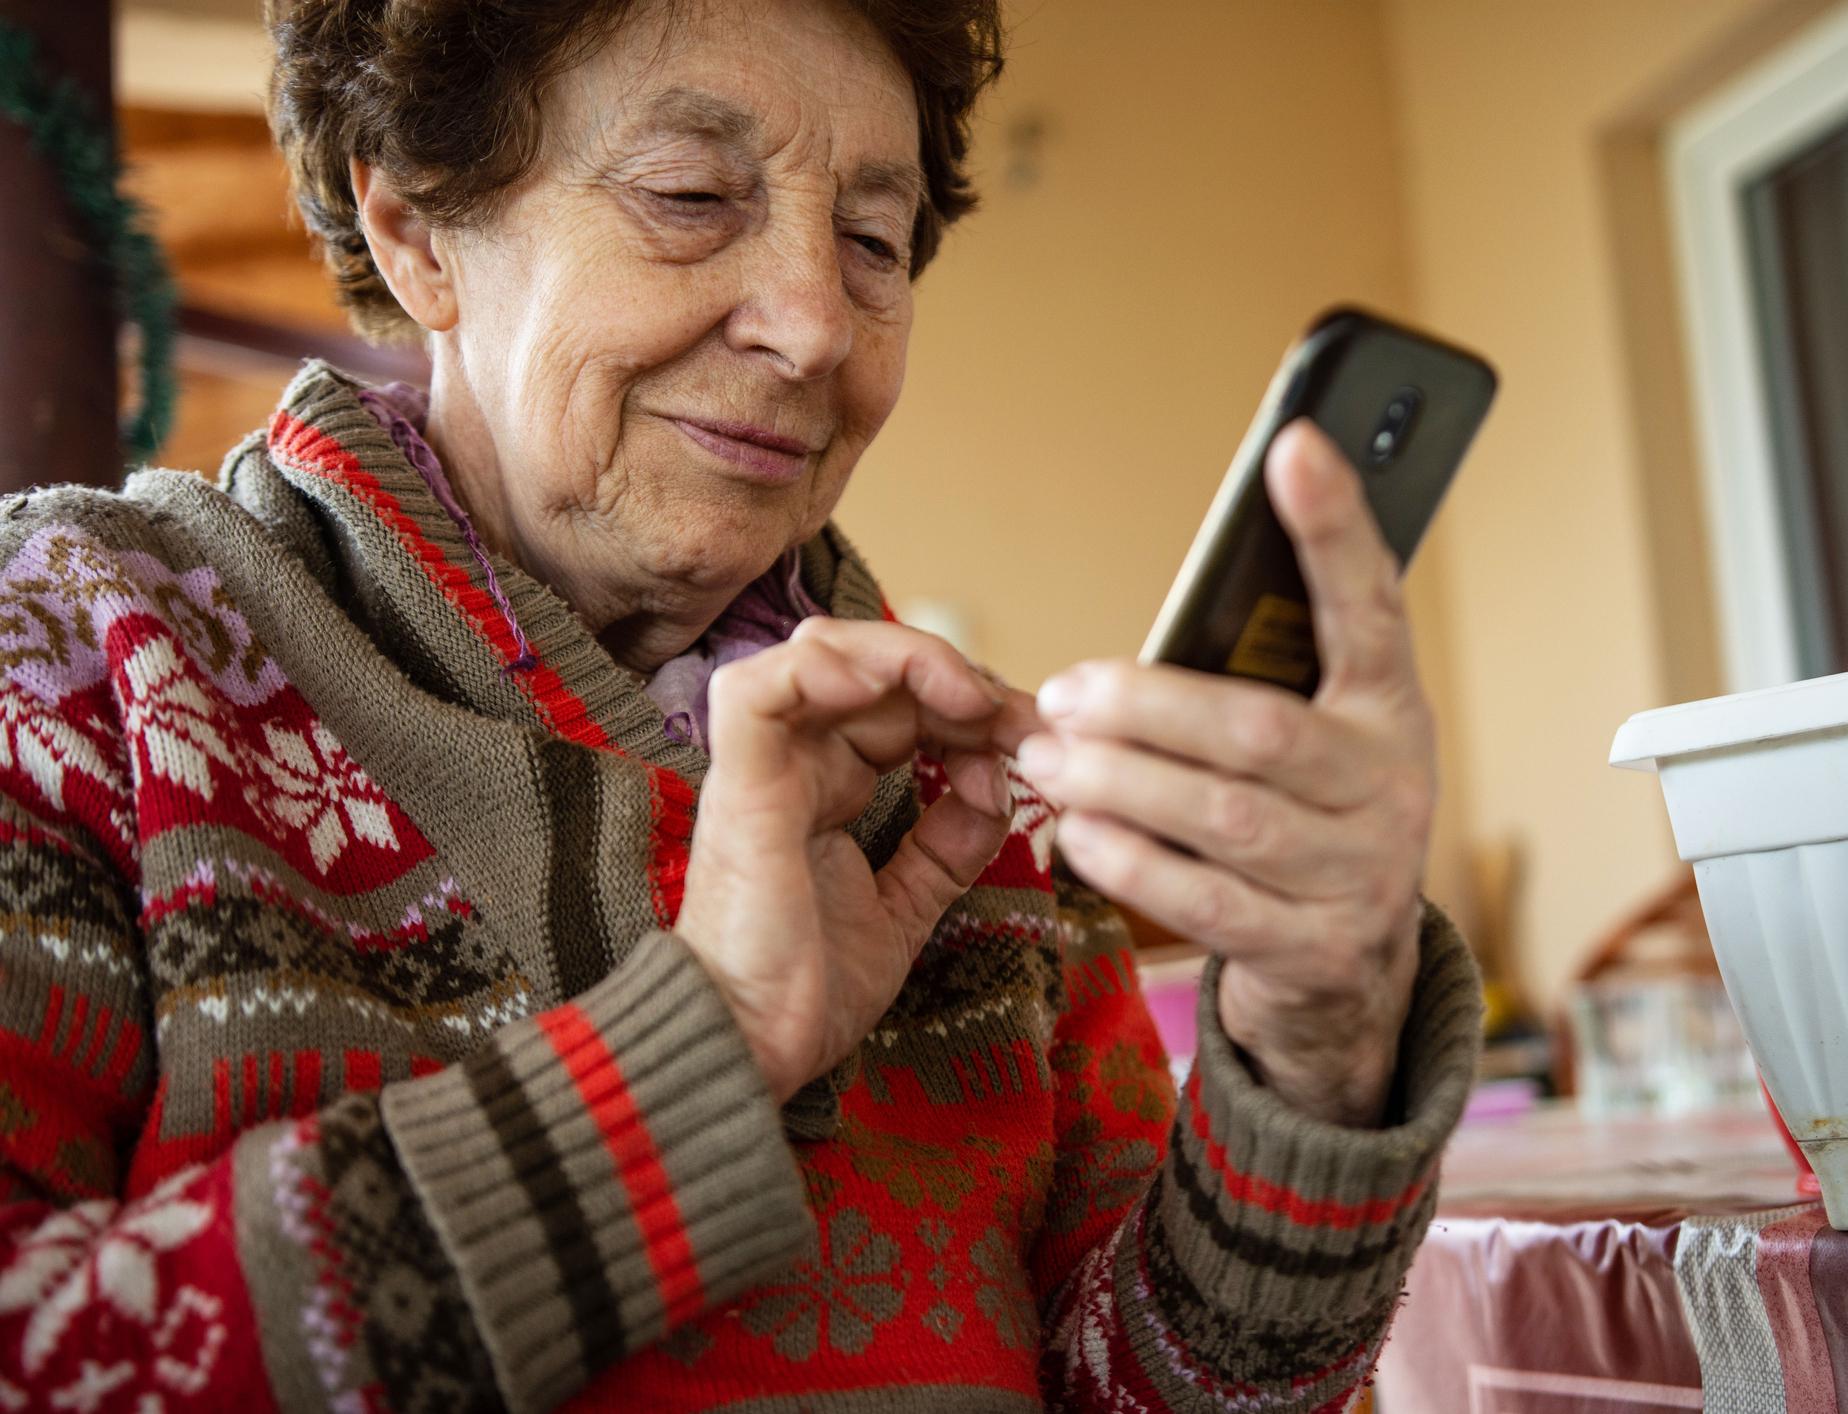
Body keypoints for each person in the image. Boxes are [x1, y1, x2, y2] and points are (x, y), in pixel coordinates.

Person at [0, 0, 1479, 1409]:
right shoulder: (77, 645)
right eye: (692, 197)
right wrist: (690, 1053)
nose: (815, 325)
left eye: (872, 240)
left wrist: (1317, 1056)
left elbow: (1144, 1386)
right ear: (417, 233)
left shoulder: (971, 801)